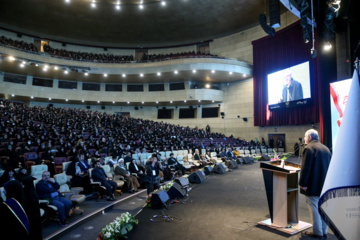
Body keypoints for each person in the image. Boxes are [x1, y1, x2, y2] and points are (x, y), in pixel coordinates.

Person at [299, 129, 331, 239]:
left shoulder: (309, 148)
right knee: (323, 208)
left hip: (312, 185)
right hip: (324, 185)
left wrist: (303, 183)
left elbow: (306, 168)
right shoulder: (326, 148)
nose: (304, 139)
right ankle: (324, 231)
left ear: (309, 137)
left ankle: (317, 232)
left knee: (314, 207)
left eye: (304, 137)